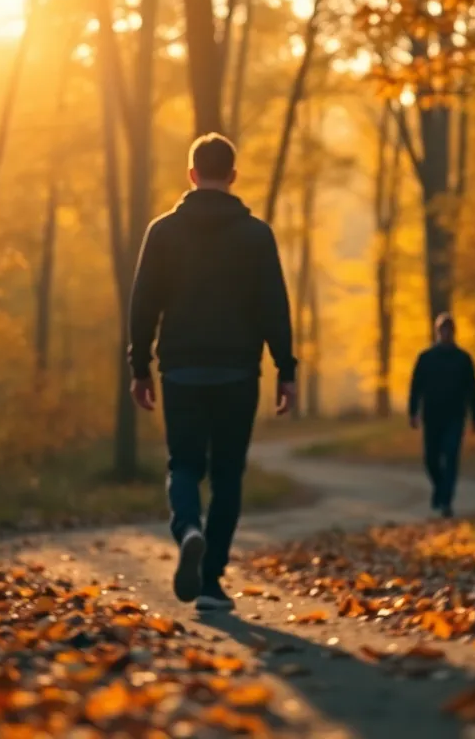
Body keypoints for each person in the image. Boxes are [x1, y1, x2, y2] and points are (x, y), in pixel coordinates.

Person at [128, 132, 296, 612]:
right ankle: (211, 580)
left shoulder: (162, 232)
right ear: (234, 176)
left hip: (181, 369)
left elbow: (143, 306)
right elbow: (274, 307)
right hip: (237, 371)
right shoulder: (256, 235)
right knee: (227, 475)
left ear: (192, 174)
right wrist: (286, 368)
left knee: (183, 465)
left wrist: (139, 367)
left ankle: (189, 530)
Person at [407, 313, 475, 518]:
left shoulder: (463, 359)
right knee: (430, 459)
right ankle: (440, 490)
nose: (446, 333)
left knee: (450, 457)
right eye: (443, 330)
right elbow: (416, 387)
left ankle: (446, 501)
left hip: (455, 417)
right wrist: (413, 412)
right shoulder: (426, 358)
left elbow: (473, 390)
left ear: (453, 332)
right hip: (432, 416)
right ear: (437, 332)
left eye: (449, 330)